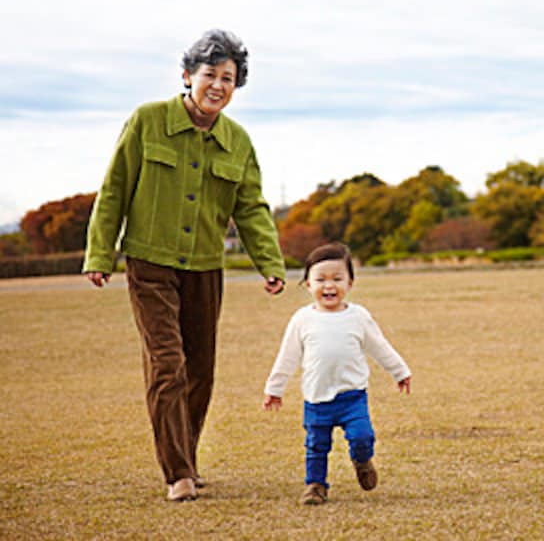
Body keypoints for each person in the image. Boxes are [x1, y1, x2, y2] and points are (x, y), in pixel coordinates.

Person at [83, 29, 286, 500]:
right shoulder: (147, 121)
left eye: (228, 78)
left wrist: (270, 262)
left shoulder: (238, 141)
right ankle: (178, 473)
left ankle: (188, 460)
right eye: (210, 74)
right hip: (150, 263)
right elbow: (114, 189)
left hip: (205, 268)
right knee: (168, 365)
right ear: (187, 75)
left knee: (200, 372)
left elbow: (252, 208)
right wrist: (100, 253)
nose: (218, 85)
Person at [263, 242, 411, 505]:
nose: (329, 285)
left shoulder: (359, 317)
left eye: (337, 279)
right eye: (320, 279)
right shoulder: (302, 319)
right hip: (316, 400)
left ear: (350, 283)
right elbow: (287, 356)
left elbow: (379, 346)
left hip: (352, 397)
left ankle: (362, 460)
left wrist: (399, 371)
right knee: (316, 446)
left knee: (362, 436)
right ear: (308, 284)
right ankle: (315, 485)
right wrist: (275, 388)